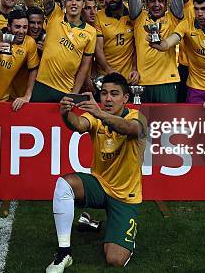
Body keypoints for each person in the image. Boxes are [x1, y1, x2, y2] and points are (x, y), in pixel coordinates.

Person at [46, 73, 148, 272]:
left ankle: (96, 225)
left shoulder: (137, 117)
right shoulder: (94, 116)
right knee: (65, 184)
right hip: (100, 185)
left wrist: (100, 114)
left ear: (126, 98)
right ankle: (64, 253)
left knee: (115, 259)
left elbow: (129, 129)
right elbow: (78, 125)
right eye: (104, 94)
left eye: (114, 94)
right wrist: (65, 113)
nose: (108, 99)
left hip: (126, 197)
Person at [151, 0, 205, 113]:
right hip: (196, 88)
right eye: (196, 9)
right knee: (195, 128)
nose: (200, 13)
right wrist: (160, 44)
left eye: (204, 9)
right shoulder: (186, 25)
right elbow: (169, 43)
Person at [30, 0, 97, 102]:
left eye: (78, 0)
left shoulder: (91, 33)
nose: (74, 3)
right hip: (42, 84)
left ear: (83, 4)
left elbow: (84, 68)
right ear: (65, 3)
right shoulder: (55, 15)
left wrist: (74, 93)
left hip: (65, 90)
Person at [127, 0, 185, 103]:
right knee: (141, 123)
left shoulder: (172, 17)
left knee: (166, 123)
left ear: (166, 5)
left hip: (167, 81)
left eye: (160, 1)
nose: (156, 4)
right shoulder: (139, 17)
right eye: (152, 1)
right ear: (147, 4)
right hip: (142, 82)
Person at [0, 9, 40, 111]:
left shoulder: (29, 42)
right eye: (17, 27)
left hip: (3, 100)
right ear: (9, 27)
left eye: (25, 27)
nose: (21, 31)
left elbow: (33, 69)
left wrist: (27, 96)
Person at [94, 0, 138, 83]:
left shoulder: (133, 15)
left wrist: (136, 68)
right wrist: (109, 70)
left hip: (129, 77)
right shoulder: (98, 17)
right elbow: (98, 50)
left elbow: (137, 46)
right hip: (106, 76)